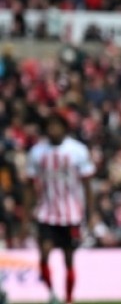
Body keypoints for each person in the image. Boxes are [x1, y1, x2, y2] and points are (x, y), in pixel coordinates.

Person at [22, 111, 95, 304]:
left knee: (68, 258)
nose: (53, 129)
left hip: (71, 215)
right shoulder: (37, 152)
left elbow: (87, 186)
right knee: (44, 253)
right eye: (50, 125)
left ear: (64, 127)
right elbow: (30, 186)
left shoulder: (78, 151)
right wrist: (26, 216)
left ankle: (69, 298)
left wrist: (91, 214)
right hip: (47, 213)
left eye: (57, 125)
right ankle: (52, 293)